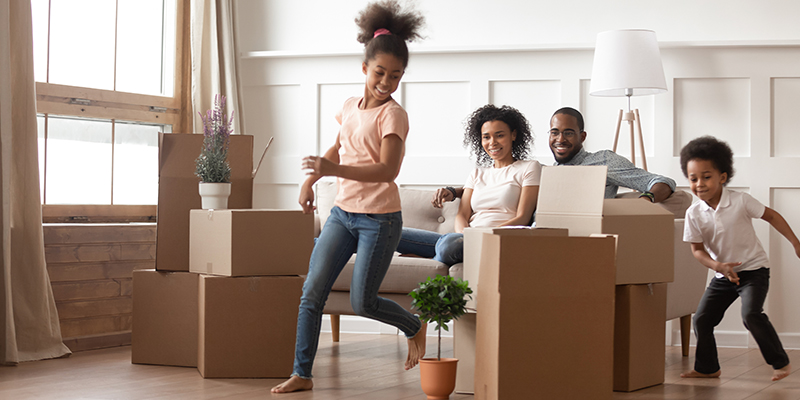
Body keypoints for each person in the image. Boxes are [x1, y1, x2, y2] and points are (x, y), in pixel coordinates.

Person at [271, 1, 425, 393]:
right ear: (364, 68)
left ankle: (412, 324)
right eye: (379, 73)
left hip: (380, 219)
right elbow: (337, 149)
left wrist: (332, 172)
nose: (386, 82)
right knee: (311, 293)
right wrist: (310, 180)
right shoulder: (349, 108)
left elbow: (388, 171)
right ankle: (302, 374)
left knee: (363, 302)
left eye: (395, 76)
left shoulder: (394, 115)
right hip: (343, 212)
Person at [679, 136, 798, 382]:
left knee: (751, 314)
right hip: (724, 274)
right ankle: (708, 368)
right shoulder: (694, 213)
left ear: (722, 177)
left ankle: (780, 362)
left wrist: (796, 243)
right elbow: (697, 250)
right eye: (693, 179)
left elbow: (772, 217)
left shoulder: (741, 201)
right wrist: (717, 266)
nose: (699, 184)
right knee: (702, 319)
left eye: (706, 176)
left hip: (754, 271)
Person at [430, 107, 676, 207]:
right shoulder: (542, 170)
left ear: (582, 136)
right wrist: (455, 190)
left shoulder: (603, 161)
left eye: (568, 133)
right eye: (555, 133)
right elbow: (496, 183)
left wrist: (646, 200)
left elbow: (663, 182)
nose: (560, 139)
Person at [396, 105, 540, 265]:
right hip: (463, 239)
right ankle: (439, 254)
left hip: (496, 239)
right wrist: (467, 234)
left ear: (513, 135)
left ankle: (431, 258)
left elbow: (522, 218)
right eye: (486, 137)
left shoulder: (529, 168)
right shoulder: (477, 173)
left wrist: (483, 234)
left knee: (449, 245)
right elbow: (462, 215)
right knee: (390, 233)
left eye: (499, 135)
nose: (492, 142)